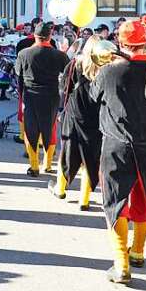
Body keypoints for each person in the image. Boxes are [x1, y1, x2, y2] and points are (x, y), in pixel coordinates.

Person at [91, 19, 146, 284]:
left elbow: (93, 95)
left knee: (115, 199)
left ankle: (121, 264)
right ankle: (139, 251)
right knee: (144, 196)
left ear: (121, 42)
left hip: (116, 142)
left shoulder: (110, 71)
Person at [52, 36, 105, 211]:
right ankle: (85, 199)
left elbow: (64, 88)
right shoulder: (106, 66)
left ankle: (60, 189)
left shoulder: (75, 64)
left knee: (68, 151)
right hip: (96, 115)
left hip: (75, 112)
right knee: (91, 157)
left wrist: (61, 109)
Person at [14, 21, 68, 177]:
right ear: (50, 36)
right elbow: (68, 73)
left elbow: (18, 74)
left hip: (30, 96)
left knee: (31, 130)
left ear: (35, 36)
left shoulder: (24, 54)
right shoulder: (59, 55)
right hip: (51, 96)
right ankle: (48, 165)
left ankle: (34, 165)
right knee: (50, 129)